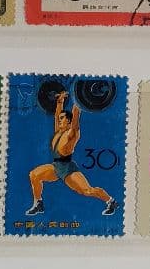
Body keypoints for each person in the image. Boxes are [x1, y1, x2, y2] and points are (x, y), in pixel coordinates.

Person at [26, 90, 118, 218]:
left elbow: (75, 120)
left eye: (62, 118)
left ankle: (111, 202)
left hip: (68, 169)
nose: (59, 120)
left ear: (69, 121)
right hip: (56, 167)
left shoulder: (71, 134)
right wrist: (60, 100)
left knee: (87, 191)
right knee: (34, 175)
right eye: (59, 118)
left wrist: (78, 102)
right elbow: (57, 114)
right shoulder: (58, 132)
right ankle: (38, 203)